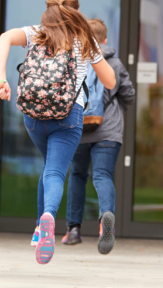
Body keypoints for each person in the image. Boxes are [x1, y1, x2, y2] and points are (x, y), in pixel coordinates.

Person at [0, 0, 116, 265]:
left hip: (34, 114)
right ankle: (48, 216)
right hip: (68, 114)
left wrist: (0, 79)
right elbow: (109, 82)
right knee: (55, 171)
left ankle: (39, 228)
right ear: (76, 9)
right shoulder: (85, 39)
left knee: (50, 166)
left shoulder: (37, 32)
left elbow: (4, 37)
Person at [61, 18, 135, 254]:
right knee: (102, 175)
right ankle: (106, 221)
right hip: (109, 129)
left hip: (80, 128)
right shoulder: (114, 62)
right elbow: (130, 96)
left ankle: (73, 229)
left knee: (78, 175)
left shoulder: (76, 60)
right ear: (104, 40)